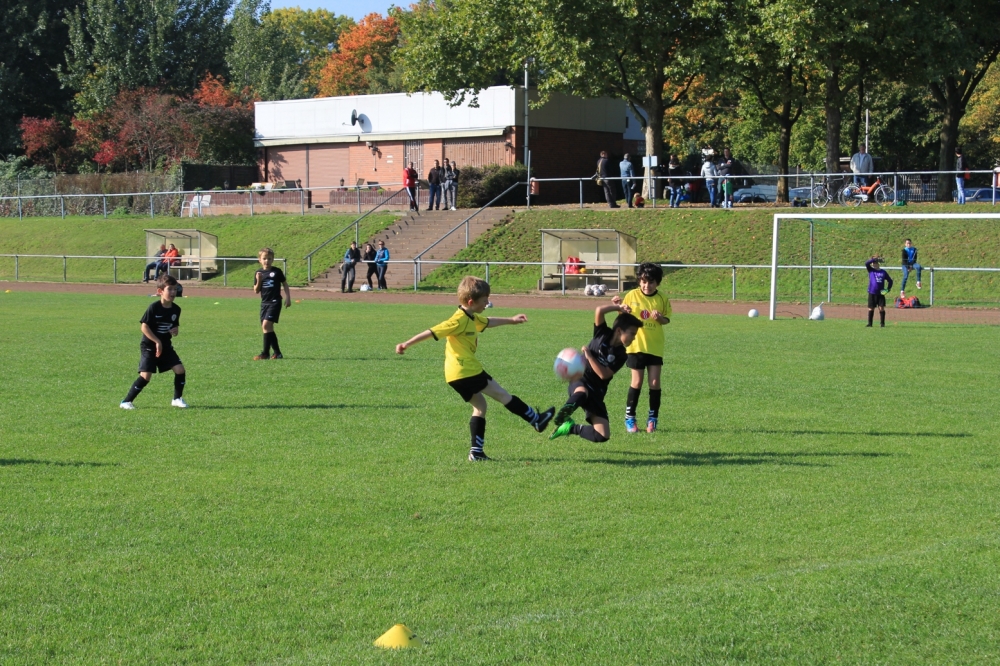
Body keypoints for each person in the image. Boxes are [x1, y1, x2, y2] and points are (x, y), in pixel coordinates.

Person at [395, 276, 555, 461]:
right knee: (502, 395)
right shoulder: (458, 320)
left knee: (480, 407)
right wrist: (407, 344)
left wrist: (512, 320)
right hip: (467, 371)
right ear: (471, 302)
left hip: (454, 375)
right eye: (485, 300)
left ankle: (476, 452)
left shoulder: (471, 317)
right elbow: (432, 331)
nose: (487, 303)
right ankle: (536, 420)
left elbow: (488, 322)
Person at [549, 304, 642, 443]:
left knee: (602, 435)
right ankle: (564, 415)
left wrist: (590, 356)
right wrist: (618, 307)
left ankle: (570, 427)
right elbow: (599, 310)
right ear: (619, 331)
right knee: (582, 392)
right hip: (581, 379)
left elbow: (604, 375)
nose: (634, 338)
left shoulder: (622, 355)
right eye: (632, 334)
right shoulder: (602, 333)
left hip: (597, 392)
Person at [612, 263, 671, 434]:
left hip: (655, 346)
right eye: (644, 281)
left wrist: (660, 318)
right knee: (637, 382)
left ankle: (653, 419)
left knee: (654, 383)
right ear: (639, 281)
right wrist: (619, 307)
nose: (647, 285)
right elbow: (624, 317)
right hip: (636, 345)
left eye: (651, 282)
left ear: (657, 283)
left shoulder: (662, 298)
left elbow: (666, 320)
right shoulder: (631, 295)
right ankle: (630, 418)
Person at [119, 274, 187, 410]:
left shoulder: (176, 309)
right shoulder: (154, 307)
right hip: (149, 346)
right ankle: (126, 402)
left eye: (175, 289)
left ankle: (177, 399)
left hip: (165, 345)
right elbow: (144, 327)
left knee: (180, 370)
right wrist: (157, 341)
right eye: (170, 289)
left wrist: (175, 330)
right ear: (160, 291)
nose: (173, 292)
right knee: (146, 376)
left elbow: (174, 326)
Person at [253, 247, 292, 359]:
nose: (267, 261)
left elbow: (285, 284)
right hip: (264, 303)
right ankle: (277, 353)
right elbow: (256, 290)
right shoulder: (258, 273)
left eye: (269, 259)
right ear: (260, 260)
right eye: (264, 258)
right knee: (267, 328)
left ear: (272, 259)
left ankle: (265, 353)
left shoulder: (276, 271)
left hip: (275, 302)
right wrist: (259, 280)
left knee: (266, 325)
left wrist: (288, 298)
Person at [865, 256, 893, 328]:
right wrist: (873, 259)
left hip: (880, 293)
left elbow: (890, 281)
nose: (874, 264)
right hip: (872, 292)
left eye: (875, 263)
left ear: (878, 263)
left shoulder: (883, 272)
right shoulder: (871, 270)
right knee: (871, 308)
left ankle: (882, 323)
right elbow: (866, 263)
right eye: (873, 263)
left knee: (881, 308)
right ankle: (870, 323)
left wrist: (888, 289)